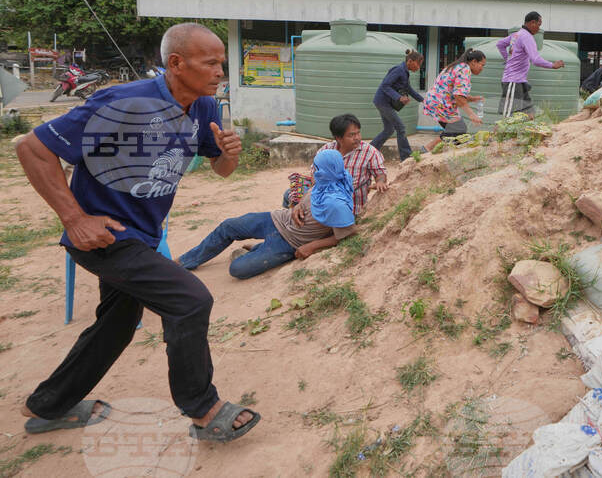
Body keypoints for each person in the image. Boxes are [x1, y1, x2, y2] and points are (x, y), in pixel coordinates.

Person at [15, 23, 259, 442]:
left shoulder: (203, 107)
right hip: (105, 237)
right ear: (177, 63)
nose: (221, 71)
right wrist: (75, 219)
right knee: (189, 299)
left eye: (222, 62)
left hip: (143, 235)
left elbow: (221, 168)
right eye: (211, 62)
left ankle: (49, 405)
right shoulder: (124, 102)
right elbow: (32, 148)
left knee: (118, 323)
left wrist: (230, 156)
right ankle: (202, 408)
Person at [179, 149, 356, 279]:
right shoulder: (326, 180)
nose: (312, 170)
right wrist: (296, 207)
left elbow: (345, 234)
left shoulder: (337, 204)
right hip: (277, 219)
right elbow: (307, 195)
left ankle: (259, 250)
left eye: (315, 167)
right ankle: (186, 261)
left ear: (325, 170)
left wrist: (311, 246)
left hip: (289, 243)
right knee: (228, 226)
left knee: (238, 269)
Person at [312, 114, 388, 217]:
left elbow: (380, 173)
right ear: (338, 138)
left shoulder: (369, 152)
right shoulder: (326, 150)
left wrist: (380, 182)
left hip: (353, 209)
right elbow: (314, 174)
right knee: (290, 195)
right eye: (351, 135)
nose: (357, 138)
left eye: (358, 133)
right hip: (326, 204)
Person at [495, 11, 565, 117]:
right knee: (509, 118)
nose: (539, 28)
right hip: (513, 82)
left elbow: (500, 44)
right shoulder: (527, 37)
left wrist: (508, 59)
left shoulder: (516, 35)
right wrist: (552, 65)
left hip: (520, 82)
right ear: (532, 22)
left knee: (529, 114)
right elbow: (535, 60)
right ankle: (498, 133)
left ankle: (529, 133)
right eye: (539, 24)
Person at [420, 49, 486, 152]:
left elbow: (455, 92)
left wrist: (473, 99)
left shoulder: (457, 66)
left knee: (457, 132)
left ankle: (438, 151)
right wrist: (472, 115)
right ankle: (428, 148)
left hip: (435, 102)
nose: (482, 68)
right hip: (441, 104)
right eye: (482, 65)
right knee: (458, 131)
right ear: (473, 62)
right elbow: (458, 97)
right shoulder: (464, 69)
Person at [370, 50, 424, 161]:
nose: (418, 67)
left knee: (389, 130)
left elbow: (409, 89)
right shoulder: (398, 70)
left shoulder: (404, 71)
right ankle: (406, 157)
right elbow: (385, 85)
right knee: (401, 128)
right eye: (418, 64)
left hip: (384, 102)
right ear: (410, 61)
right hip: (383, 102)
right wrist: (399, 97)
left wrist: (423, 100)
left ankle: (370, 150)